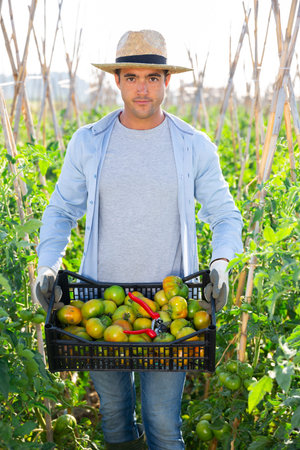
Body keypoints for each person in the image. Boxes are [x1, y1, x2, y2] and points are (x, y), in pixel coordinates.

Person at [35, 29, 243, 450]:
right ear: (117, 81)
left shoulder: (192, 146)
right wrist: (47, 263)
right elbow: (60, 211)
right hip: (100, 308)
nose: (142, 88)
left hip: (169, 312)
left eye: (152, 77)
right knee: (113, 418)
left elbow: (225, 215)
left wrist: (221, 264)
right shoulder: (90, 142)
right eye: (131, 77)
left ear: (167, 80)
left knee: (163, 425)